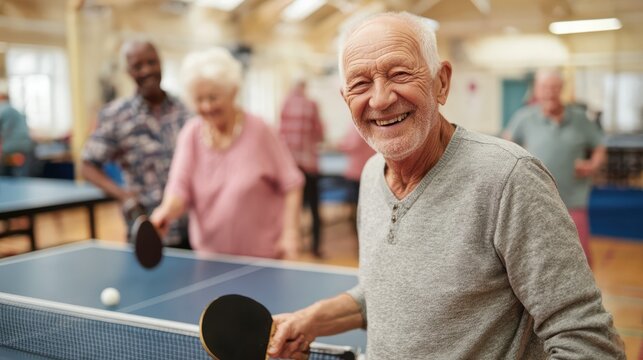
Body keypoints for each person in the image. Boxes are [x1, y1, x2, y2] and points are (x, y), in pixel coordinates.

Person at [268, 12, 624, 359]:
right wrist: (311, 319)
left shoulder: (509, 179)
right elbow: (386, 294)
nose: (380, 98)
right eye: (360, 84)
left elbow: (590, 343)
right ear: (347, 101)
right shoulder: (371, 173)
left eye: (400, 73)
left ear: (441, 82)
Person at [149, 48, 304, 260]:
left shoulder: (260, 130)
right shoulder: (191, 134)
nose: (206, 106)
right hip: (209, 258)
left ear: (232, 91)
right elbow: (179, 188)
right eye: (199, 99)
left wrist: (290, 234)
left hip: (262, 258)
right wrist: (165, 211)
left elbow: (292, 184)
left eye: (213, 97)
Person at [81, 40, 191, 248]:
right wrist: (123, 197)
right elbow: (87, 165)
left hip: (190, 230)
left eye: (152, 62)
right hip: (146, 231)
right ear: (128, 72)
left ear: (161, 63)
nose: (147, 70)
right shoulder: (116, 115)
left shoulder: (186, 110)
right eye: (137, 66)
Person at [503, 69, 606, 268]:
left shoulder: (580, 119)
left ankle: (584, 298)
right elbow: (507, 145)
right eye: (544, 87)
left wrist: (593, 164)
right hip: (536, 201)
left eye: (554, 87)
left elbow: (599, 147)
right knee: (539, 257)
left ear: (561, 89)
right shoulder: (524, 117)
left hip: (573, 200)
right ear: (537, 90)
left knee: (580, 256)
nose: (549, 92)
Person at [278, 79, 325, 257]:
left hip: (291, 166)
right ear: (304, 87)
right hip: (309, 165)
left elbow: (280, 133)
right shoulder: (311, 104)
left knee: (293, 206)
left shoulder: (285, 105)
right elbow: (320, 133)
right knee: (314, 208)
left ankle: (293, 243)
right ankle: (316, 247)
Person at [337, 124, 375, 235]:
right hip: (365, 171)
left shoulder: (357, 128)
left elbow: (351, 145)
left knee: (357, 204)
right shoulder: (371, 126)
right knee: (364, 205)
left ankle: (359, 230)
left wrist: (340, 145)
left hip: (357, 172)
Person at [0, 78, 35, 177]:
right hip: (25, 148)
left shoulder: (2, 108)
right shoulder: (15, 110)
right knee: (20, 180)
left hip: (11, 149)